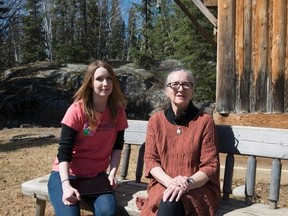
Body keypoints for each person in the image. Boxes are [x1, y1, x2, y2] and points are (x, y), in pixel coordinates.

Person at [48, 59, 128, 216]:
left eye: (109, 78)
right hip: (66, 175)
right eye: (99, 79)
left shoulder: (118, 112)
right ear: (90, 82)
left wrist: (112, 174)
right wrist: (65, 186)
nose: (105, 83)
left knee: (108, 212)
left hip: (96, 176)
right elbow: (64, 152)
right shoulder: (77, 110)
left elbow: (117, 147)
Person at [140, 69, 220, 216]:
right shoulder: (155, 121)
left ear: (192, 91)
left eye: (186, 85)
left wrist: (186, 183)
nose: (180, 89)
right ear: (166, 90)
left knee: (170, 204)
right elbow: (151, 160)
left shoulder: (205, 121)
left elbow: (210, 165)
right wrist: (171, 183)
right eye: (174, 84)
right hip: (163, 182)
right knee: (169, 200)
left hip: (197, 186)